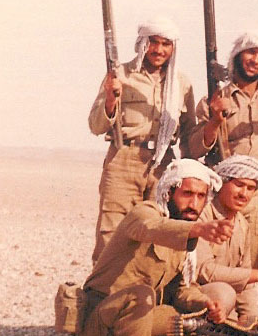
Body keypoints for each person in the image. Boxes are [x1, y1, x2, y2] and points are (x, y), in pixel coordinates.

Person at [79, 159, 235, 336]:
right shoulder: (145, 212)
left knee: (182, 316)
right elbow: (150, 227)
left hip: (137, 318)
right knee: (142, 295)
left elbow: (181, 291)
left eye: (200, 196)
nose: (194, 203)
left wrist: (206, 303)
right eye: (187, 194)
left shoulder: (184, 238)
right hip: (100, 321)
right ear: (169, 192)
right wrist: (197, 230)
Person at [89, 16, 209, 263]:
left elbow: (188, 136)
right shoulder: (120, 75)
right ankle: (102, 286)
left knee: (158, 231)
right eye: (153, 42)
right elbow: (96, 125)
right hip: (124, 159)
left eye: (166, 44)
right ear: (143, 43)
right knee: (112, 233)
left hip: (163, 164)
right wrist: (110, 100)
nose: (159, 50)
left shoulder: (181, 83)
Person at [196, 32, 258, 321]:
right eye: (250, 53)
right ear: (237, 56)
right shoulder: (215, 98)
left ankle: (246, 319)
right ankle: (215, 312)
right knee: (215, 254)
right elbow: (194, 147)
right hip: (223, 188)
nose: (255, 60)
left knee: (256, 259)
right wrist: (214, 120)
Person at [195, 155, 258, 323]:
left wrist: (248, 317)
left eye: (251, 188)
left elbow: (246, 283)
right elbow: (204, 271)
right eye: (239, 185)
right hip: (194, 296)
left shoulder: (242, 225)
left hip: (223, 304)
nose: (244, 194)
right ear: (222, 183)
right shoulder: (202, 215)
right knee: (224, 293)